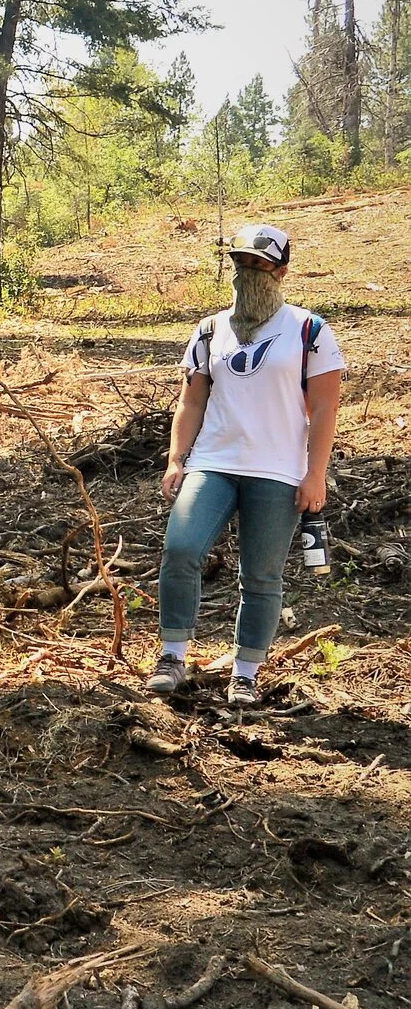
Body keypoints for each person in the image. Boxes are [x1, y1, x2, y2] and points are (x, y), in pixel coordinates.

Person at [151, 223, 344, 706]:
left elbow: (323, 408)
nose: (246, 273)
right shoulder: (210, 330)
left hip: (278, 469)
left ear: (279, 271)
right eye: (239, 262)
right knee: (181, 549)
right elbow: (191, 402)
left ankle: (246, 673)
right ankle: (173, 656)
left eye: (258, 264)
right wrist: (177, 459)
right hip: (214, 461)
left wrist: (315, 473)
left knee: (260, 576)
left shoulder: (309, 331)